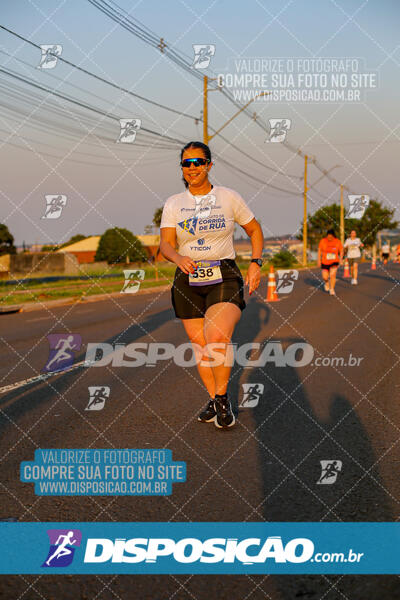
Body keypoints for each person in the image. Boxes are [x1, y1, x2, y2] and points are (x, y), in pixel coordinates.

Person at [160, 141, 264, 429]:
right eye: (186, 163)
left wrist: (255, 263)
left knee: (216, 336)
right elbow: (165, 244)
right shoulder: (173, 204)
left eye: (197, 162)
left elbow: (254, 230)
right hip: (187, 276)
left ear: (209, 164)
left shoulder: (228, 197)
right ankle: (217, 398)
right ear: (181, 168)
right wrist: (177, 256)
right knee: (200, 345)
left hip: (224, 273)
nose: (191, 168)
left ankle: (220, 398)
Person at [317, 229, 343, 296]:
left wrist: (341, 259)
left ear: (334, 236)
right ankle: (326, 283)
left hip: (334, 261)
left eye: (331, 237)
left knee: (332, 275)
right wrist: (319, 260)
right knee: (325, 277)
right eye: (328, 237)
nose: (329, 238)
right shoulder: (323, 241)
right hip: (325, 261)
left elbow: (341, 250)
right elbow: (319, 250)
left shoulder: (337, 241)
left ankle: (332, 289)